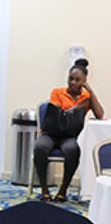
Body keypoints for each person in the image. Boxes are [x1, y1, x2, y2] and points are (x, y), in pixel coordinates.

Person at [34, 59, 103, 202]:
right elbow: (59, 115)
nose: (73, 82)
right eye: (70, 78)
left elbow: (100, 115)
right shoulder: (57, 92)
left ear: (84, 81)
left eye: (78, 80)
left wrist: (90, 93)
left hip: (70, 136)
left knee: (73, 150)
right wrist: (79, 107)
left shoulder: (86, 97)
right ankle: (44, 190)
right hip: (51, 133)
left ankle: (63, 190)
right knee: (40, 147)